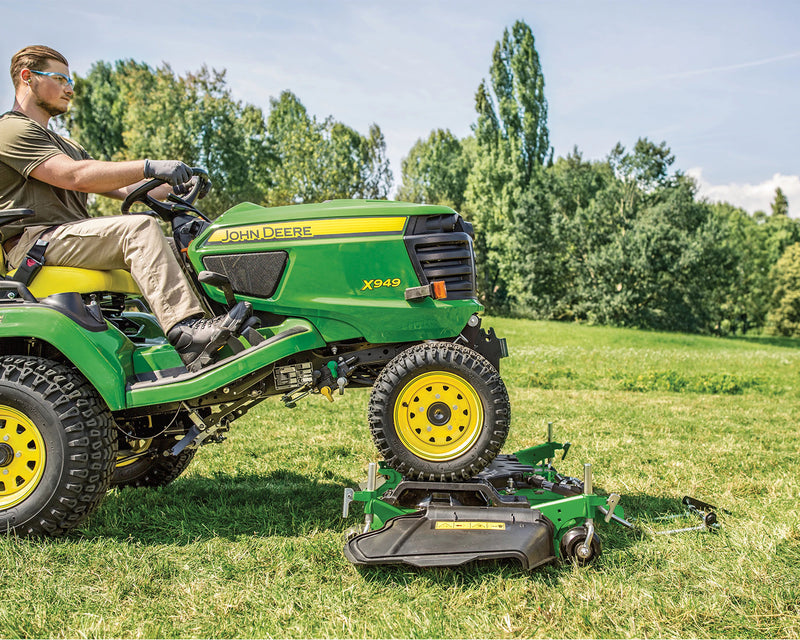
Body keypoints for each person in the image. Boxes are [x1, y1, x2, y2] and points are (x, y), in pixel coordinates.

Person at [0, 45, 250, 371]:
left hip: (67, 240)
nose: (70, 88)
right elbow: (76, 177)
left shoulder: (69, 145)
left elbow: (119, 186)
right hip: (35, 244)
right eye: (60, 78)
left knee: (179, 237)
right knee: (140, 228)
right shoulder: (11, 129)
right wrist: (148, 165)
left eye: (70, 80)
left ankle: (223, 321)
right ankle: (188, 333)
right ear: (27, 77)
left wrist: (176, 185)